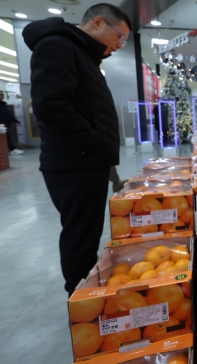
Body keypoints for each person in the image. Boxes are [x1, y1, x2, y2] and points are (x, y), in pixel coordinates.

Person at [23, 3, 131, 296]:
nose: (120, 45)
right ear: (98, 23)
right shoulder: (58, 46)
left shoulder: (83, 54)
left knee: (86, 233)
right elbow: (51, 106)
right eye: (119, 37)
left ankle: (86, 293)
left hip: (86, 162)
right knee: (80, 236)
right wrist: (94, 141)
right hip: (75, 164)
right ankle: (82, 303)